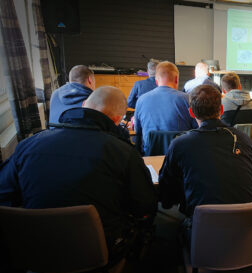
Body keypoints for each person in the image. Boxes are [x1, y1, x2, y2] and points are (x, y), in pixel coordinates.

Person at [0, 86, 158, 263]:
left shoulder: (28, 146)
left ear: (84, 104)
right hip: (101, 251)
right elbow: (145, 205)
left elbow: (4, 194)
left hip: (31, 249)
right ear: (117, 119)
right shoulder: (124, 153)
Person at [159, 84, 252, 219]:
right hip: (249, 227)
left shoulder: (180, 144)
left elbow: (167, 193)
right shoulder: (244, 138)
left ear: (191, 113)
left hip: (203, 230)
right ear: (222, 110)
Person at [134, 61, 198, 154]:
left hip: (150, 157)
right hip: (181, 156)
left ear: (156, 81)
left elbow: (138, 132)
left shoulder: (141, 100)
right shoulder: (188, 99)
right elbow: (196, 130)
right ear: (176, 79)